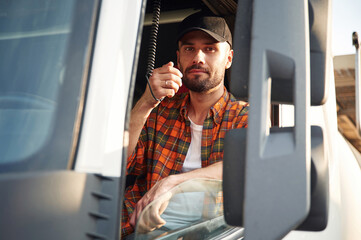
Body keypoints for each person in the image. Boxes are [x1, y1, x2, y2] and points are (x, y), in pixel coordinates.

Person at [121, 11, 249, 238]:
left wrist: (174, 183)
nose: (198, 57)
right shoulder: (159, 111)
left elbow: (246, 167)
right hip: (139, 229)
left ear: (228, 59)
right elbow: (120, 161)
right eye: (189, 49)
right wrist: (145, 103)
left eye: (210, 49)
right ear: (179, 58)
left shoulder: (246, 116)